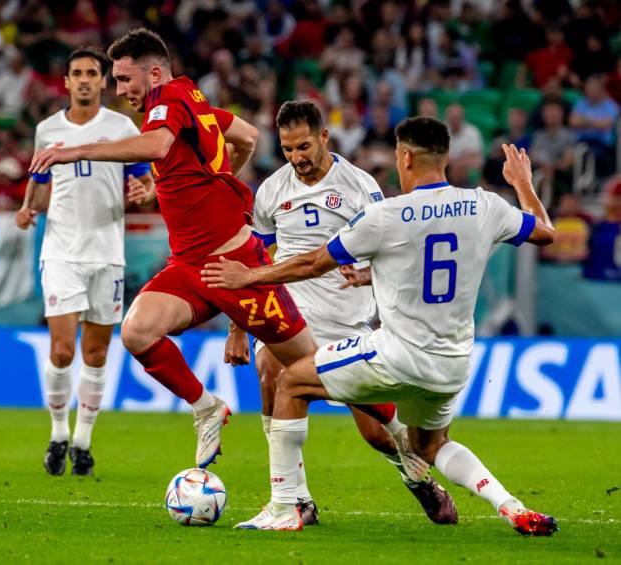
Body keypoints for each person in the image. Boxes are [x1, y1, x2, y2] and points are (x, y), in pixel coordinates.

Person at [29, 29, 409, 480]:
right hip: (191, 265)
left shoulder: (167, 99)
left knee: (320, 372)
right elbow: (246, 136)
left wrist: (70, 152)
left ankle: (403, 432)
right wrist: (219, 181)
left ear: (152, 73)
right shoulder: (191, 98)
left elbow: (157, 146)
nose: (120, 90)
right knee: (136, 332)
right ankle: (207, 408)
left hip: (239, 269)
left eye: (125, 79)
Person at [201, 117, 559, 536]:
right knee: (430, 446)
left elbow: (313, 263)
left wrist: (245, 279)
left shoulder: (387, 214)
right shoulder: (485, 205)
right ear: (446, 156)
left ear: (404, 157)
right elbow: (546, 234)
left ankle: (286, 505)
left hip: (395, 353)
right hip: (452, 364)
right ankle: (513, 508)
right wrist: (521, 183)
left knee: (292, 383)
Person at [224, 100, 457, 525]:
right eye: (288, 149)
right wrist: (238, 328)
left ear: (325, 137)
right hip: (290, 311)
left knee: (377, 434)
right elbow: (257, 259)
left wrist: (379, 294)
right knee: (271, 377)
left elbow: (386, 248)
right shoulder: (272, 190)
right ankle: (293, 500)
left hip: (348, 320)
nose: (297, 158)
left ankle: (417, 476)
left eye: (304, 146)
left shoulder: (359, 185)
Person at [16, 46, 155, 476]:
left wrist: (144, 193)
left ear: (102, 80)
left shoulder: (120, 127)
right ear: (66, 81)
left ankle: (83, 441)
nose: (83, 80)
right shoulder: (48, 130)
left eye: (91, 73)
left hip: (107, 254)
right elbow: (39, 183)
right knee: (61, 349)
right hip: (61, 251)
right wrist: (29, 209)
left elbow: (144, 181)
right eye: (76, 72)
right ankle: (58, 432)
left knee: (96, 354)